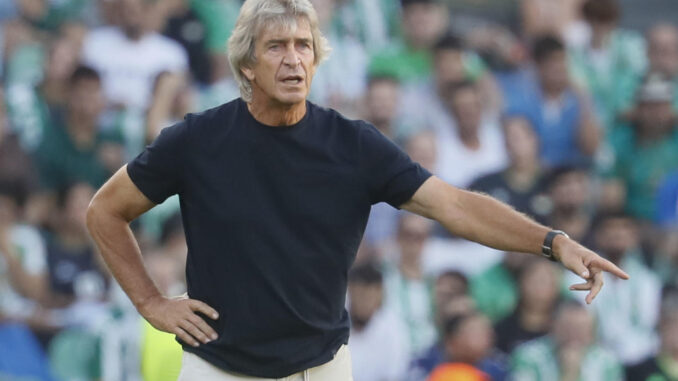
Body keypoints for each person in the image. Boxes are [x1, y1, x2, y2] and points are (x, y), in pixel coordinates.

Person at [85, 0, 629, 379]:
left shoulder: (355, 145)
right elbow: (105, 211)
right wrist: (150, 302)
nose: (294, 59)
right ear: (246, 64)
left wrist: (554, 242)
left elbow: (456, 207)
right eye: (276, 47)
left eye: (304, 46)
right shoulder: (195, 140)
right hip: (219, 370)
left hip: (324, 368)